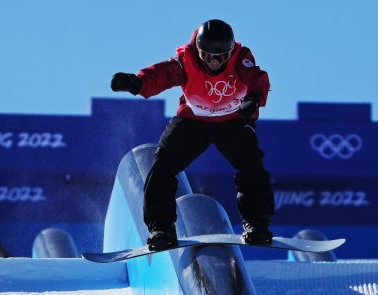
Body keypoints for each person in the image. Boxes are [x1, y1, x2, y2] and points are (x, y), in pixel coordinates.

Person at [111, 19, 275, 250]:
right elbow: (162, 74)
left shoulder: (241, 58)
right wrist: (136, 83)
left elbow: (257, 79)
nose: (215, 62)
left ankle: (257, 225)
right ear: (198, 51)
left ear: (231, 51)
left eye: (221, 57)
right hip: (193, 121)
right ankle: (161, 228)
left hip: (233, 121)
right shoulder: (186, 61)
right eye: (207, 56)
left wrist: (254, 99)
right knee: (163, 166)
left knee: (252, 167)